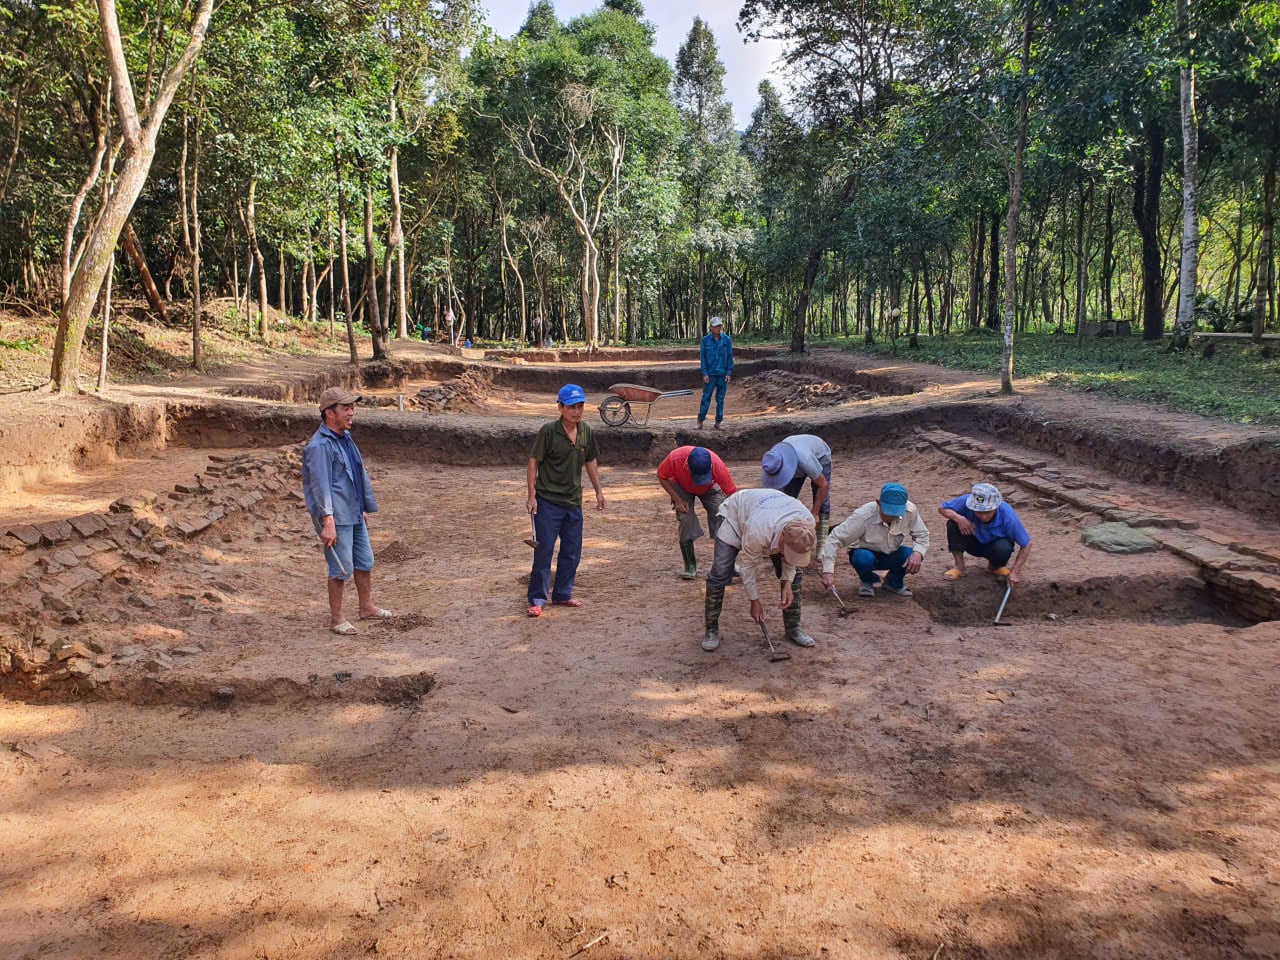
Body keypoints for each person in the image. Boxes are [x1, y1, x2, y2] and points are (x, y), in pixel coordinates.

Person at [302, 387, 392, 634]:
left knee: (365, 561)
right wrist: (327, 521)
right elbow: (320, 486)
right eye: (346, 408)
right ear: (329, 413)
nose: (352, 412)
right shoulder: (320, 446)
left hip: (353, 511)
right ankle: (337, 618)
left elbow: (354, 474)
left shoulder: (345, 437)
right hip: (336, 516)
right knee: (341, 568)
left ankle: (366, 607)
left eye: (352, 407)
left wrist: (361, 506)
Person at [702, 488, 817, 652]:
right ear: (782, 537)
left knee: (795, 574)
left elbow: (792, 557)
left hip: (768, 513)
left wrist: (787, 583)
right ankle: (711, 630)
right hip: (737, 515)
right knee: (720, 573)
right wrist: (754, 601)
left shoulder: (806, 524)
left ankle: (793, 628)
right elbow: (747, 567)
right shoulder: (759, 530)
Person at [526, 384, 607, 617]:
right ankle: (537, 599)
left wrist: (598, 491)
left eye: (580, 406)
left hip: (573, 502)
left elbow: (590, 461)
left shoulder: (586, 431)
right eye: (571, 407)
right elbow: (533, 462)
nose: (577, 411)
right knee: (544, 551)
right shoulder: (548, 432)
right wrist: (531, 496)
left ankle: (562, 594)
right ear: (560, 408)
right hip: (548, 501)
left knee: (572, 551)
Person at [819, 482, 930, 599]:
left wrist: (917, 553)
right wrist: (828, 572)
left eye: (896, 514)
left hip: (892, 553)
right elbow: (834, 538)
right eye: (888, 512)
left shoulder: (910, 510)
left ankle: (893, 582)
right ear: (878, 503)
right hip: (865, 553)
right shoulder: (863, 515)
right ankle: (868, 581)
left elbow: (922, 534)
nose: (891, 517)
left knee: (911, 555)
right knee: (863, 558)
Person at [656, 445, 738, 579]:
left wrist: (733, 516)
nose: (699, 481)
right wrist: (677, 500)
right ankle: (690, 566)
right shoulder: (675, 458)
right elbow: (661, 476)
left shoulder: (717, 465)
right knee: (686, 519)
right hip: (681, 487)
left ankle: (729, 563)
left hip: (710, 488)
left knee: (721, 514)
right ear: (687, 466)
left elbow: (732, 495)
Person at [937, 482, 1032, 586]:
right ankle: (959, 567)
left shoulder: (1008, 516)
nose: (983, 516)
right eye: (978, 512)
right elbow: (942, 508)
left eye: (987, 512)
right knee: (953, 524)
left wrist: (1015, 572)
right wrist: (958, 518)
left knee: (1004, 547)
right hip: (972, 541)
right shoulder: (966, 500)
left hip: (995, 546)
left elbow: (1027, 544)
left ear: (995, 507)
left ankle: (994, 567)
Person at [760, 433, 832, 545]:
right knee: (788, 499)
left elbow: (823, 485)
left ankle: (822, 544)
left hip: (820, 454)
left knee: (822, 501)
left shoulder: (805, 460)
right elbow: (776, 496)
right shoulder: (772, 461)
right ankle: (784, 539)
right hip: (796, 456)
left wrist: (815, 513)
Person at [697, 317, 734, 429]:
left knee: (720, 399)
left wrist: (729, 372)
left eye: (719, 326)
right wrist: (704, 373)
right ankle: (700, 420)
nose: (718, 328)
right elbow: (703, 358)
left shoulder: (727, 340)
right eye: (716, 326)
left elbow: (730, 356)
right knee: (706, 398)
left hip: (722, 374)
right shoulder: (705, 340)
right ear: (711, 327)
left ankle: (718, 422)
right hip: (710, 374)